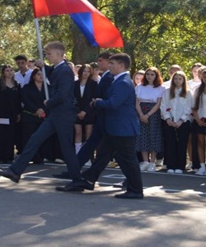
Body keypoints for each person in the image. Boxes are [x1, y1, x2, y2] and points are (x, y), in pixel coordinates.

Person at [56, 53, 144, 199]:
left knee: (128, 160)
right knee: (103, 154)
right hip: (115, 128)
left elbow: (114, 103)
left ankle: (136, 190)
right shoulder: (118, 80)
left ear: (121, 66)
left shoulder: (123, 82)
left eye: (112, 63)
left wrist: (97, 102)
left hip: (122, 128)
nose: (109, 66)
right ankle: (87, 180)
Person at [0, 41, 82, 187]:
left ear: (58, 54)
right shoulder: (57, 68)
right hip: (55, 114)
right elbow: (52, 73)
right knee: (35, 139)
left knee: (66, 147)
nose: (47, 56)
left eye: (49, 54)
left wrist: (49, 102)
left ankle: (77, 180)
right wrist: (44, 66)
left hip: (63, 114)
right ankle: (15, 171)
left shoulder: (66, 71)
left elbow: (63, 94)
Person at [135, 67, 165, 172]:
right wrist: (141, 114)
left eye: (152, 75)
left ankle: (152, 162)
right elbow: (136, 102)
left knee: (153, 136)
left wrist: (148, 115)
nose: (149, 76)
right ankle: (145, 161)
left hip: (153, 112)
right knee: (143, 136)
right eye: (148, 74)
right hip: (141, 111)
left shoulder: (160, 88)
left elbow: (158, 103)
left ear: (156, 76)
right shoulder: (140, 86)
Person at [161, 71, 192, 174]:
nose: (177, 81)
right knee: (170, 143)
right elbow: (163, 106)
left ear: (183, 80)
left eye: (180, 79)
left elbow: (189, 108)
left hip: (183, 122)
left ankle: (180, 165)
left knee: (182, 144)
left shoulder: (188, 92)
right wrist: (167, 118)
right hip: (169, 121)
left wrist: (181, 120)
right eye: (175, 79)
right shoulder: (167, 92)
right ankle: (170, 165)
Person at [0, 65, 22, 163]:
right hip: (0, 114)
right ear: (3, 73)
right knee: (0, 136)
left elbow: (18, 100)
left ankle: (8, 157)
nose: (10, 72)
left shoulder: (17, 85)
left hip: (12, 114)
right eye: (7, 71)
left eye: (11, 70)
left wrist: (18, 113)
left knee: (10, 136)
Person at [19, 68, 49, 164]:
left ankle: (39, 157)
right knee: (29, 137)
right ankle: (27, 157)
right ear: (33, 76)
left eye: (42, 74)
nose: (40, 76)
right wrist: (36, 109)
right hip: (30, 115)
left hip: (43, 116)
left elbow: (50, 100)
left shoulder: (48, 88)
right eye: (38, 74)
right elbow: (25, 100)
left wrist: (43, 110)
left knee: (40, 137)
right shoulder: (27, 87)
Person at [74, 65, 98, 156]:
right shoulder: (75, 84)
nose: (86, 73)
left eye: (88, 71)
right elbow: (72, 99)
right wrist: (78, 111)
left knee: (88, 133)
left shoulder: (93, 84)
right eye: (84, 71)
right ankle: (77, 154)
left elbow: (93, 99)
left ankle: (87, 156)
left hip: (89, 112)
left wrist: (85, 111)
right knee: (78, 132)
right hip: (77, 112)